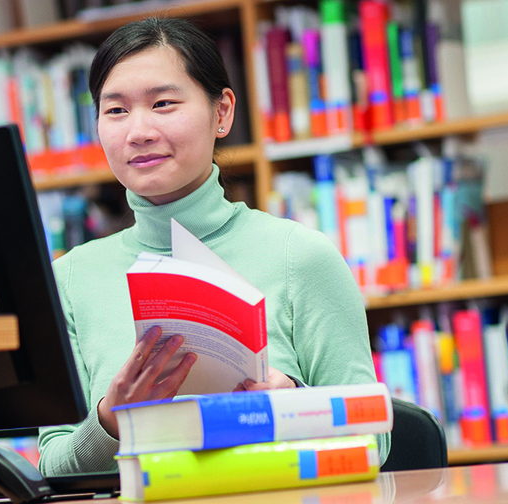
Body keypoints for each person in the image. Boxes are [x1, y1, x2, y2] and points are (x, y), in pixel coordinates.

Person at [36, 17, 389, 476]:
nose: (137, 131)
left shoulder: (300, 256)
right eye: (116, 110)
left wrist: (294, 405)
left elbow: (373, 442)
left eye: (163, 103)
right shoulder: (70, 278)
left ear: (221, 113)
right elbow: (51, 466)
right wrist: (110, 420)